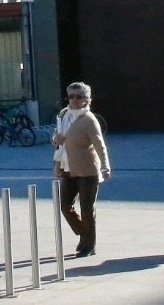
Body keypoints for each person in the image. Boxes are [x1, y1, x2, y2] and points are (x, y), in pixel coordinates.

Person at [52, 81, 111, 259]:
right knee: (65, 206)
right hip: (67, 167)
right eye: (71, 96)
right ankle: (84, 234)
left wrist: (105, 166)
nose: (74, 100)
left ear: (87, 99)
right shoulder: (63, 114)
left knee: (87, 209)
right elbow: (56, 137)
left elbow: (99, 145)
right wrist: (56, 139)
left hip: (87, 170)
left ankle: (89, 245)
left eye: (79, 97)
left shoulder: (89, 120)